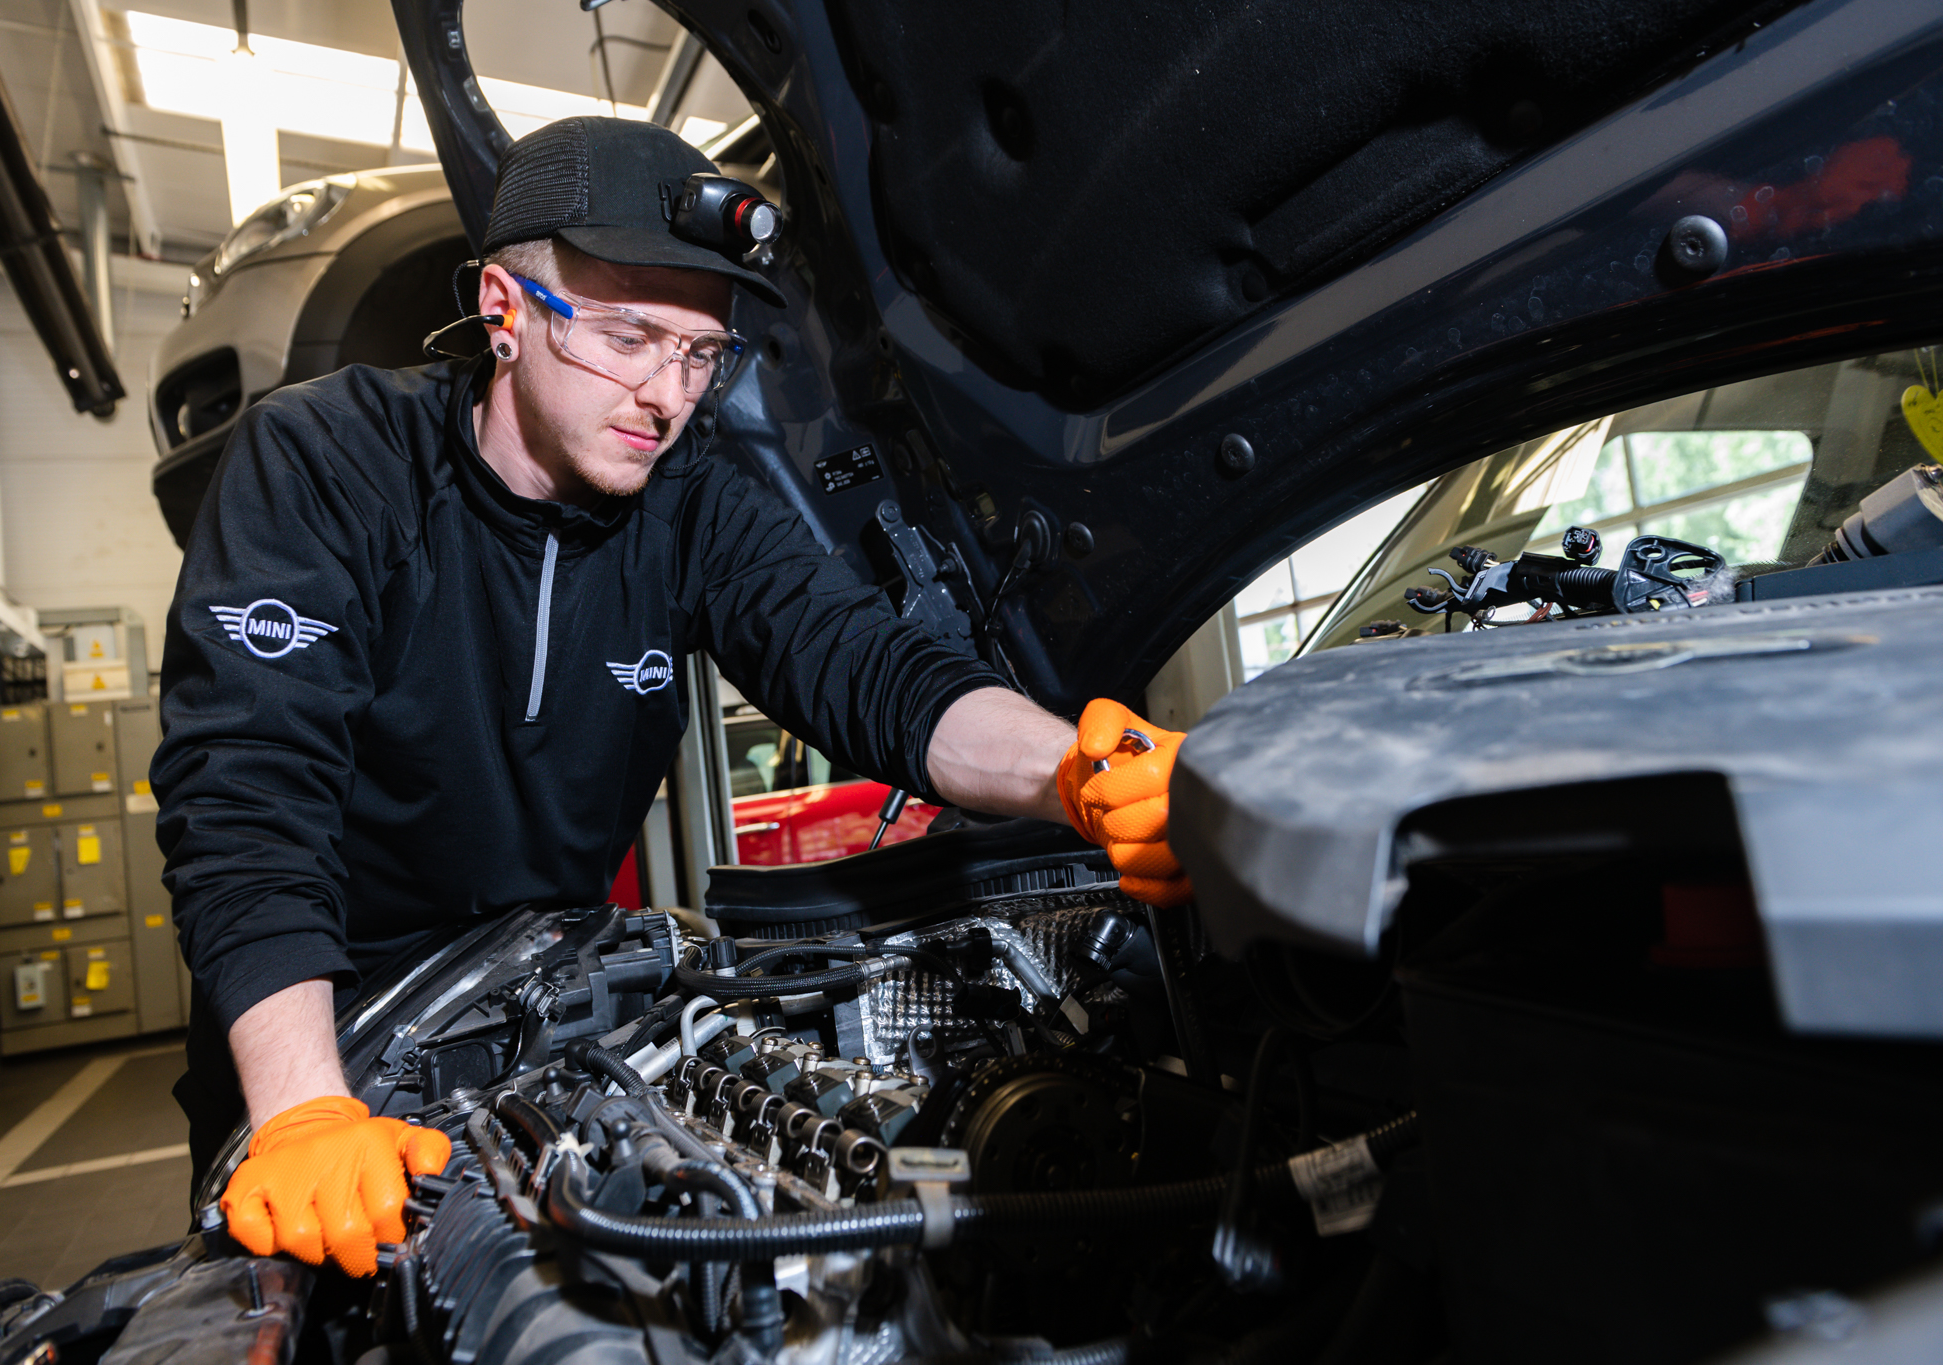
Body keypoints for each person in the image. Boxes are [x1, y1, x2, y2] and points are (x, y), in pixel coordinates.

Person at [151, 116, 1190, 1279]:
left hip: (544, 1000)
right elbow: (247, 793)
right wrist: (299, 1109)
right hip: (325, 1024)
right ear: (503, 309)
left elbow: (872, 671)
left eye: (702, 354)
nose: (666, 395)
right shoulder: (331, 461)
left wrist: (1077, 773)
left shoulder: (691, 502)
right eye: (631, 336)